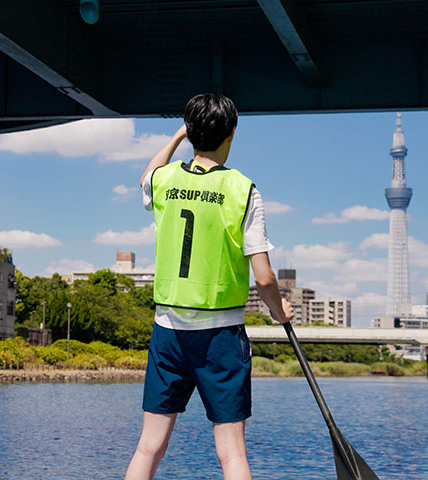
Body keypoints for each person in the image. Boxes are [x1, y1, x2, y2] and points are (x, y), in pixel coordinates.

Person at [125, 93, 294, 480]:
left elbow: (145, 176)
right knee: (231, 453)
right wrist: (278, 310)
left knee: (149, 447)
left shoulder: (164, 181)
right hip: (220, 336)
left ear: (190, 133)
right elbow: (264, 277)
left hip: (168, 331)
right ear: (232, 133)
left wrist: (175, 137)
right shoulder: (244, 190)